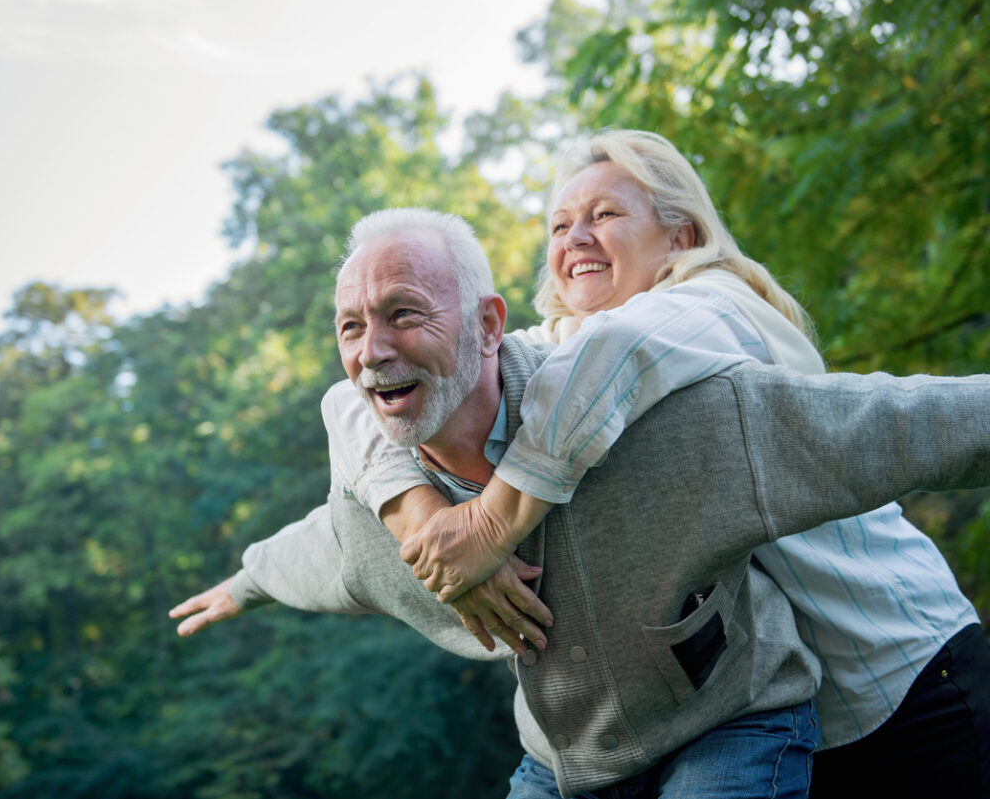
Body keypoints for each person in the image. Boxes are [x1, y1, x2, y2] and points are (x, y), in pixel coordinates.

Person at [170, 208, 990, 798]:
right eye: (350, 327)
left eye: (404, 314)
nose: (372, 350)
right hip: (569, 763)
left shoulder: (665, 420)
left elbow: (890, 423)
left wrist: (493, 525)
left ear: (490, 326)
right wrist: (246, 579)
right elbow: (320, 553)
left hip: (733, 724)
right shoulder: (380, 509)